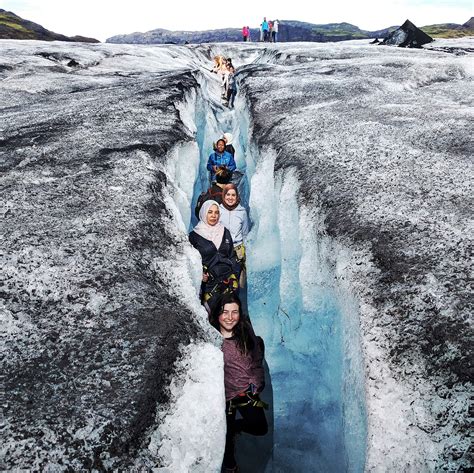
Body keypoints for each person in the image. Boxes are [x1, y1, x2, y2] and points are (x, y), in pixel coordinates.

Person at [210, 293, 268, 473]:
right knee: (224, 440)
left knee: (260, 427)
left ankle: (234, 428)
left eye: (234, 312)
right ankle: (231, 467)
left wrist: (256, 383)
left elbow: (256, 357)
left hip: (245, 391)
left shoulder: (245, 330)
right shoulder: (212, 338)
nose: (229, 317)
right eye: (225, 312)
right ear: (217, 313)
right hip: (224, 396)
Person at [189, 201, 240, 313]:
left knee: (230, 318)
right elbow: (191, 262)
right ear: (203, 213)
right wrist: (199, 275)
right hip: (209, 286)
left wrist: (235, 276)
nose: (213, 216)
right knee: (214, 320)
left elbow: (232, 255)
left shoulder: (225, 232)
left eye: (216, 212)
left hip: (228, 283)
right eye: (210, 212)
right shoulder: (194, 236)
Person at [219, 184, 249, 288]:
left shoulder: (242, 212)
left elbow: (245, 232)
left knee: (235, 282)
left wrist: (245, 253)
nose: (230, 198)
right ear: (224, 195)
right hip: (222, 250)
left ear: (237, 197)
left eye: (233, 195)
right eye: (228, 194)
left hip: (237, 251)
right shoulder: (219, 210)